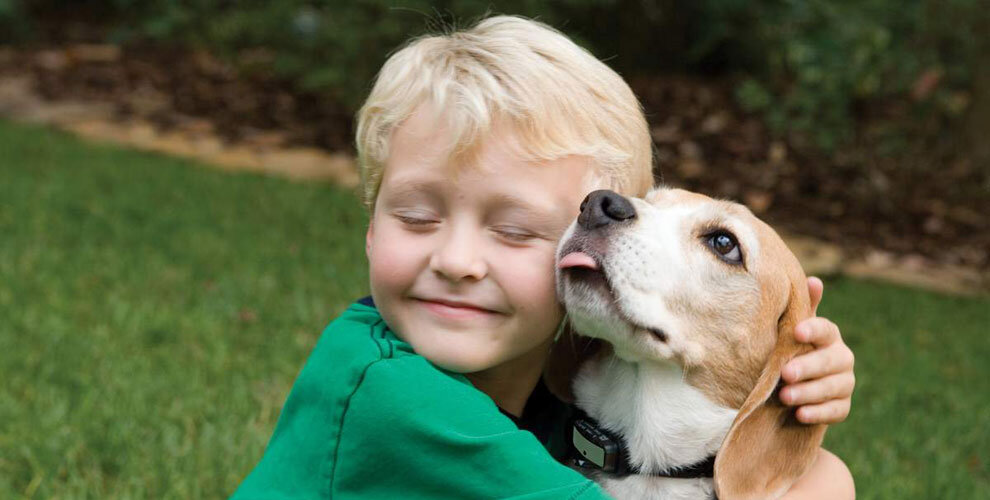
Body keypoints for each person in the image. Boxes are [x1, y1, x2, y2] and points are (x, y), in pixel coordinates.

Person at [231, 15, 855, 499]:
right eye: (417, 217)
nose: (456, 260)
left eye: (514, 229)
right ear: (370, 227)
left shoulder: (556, 399)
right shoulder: (386, 392)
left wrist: (792, 387)